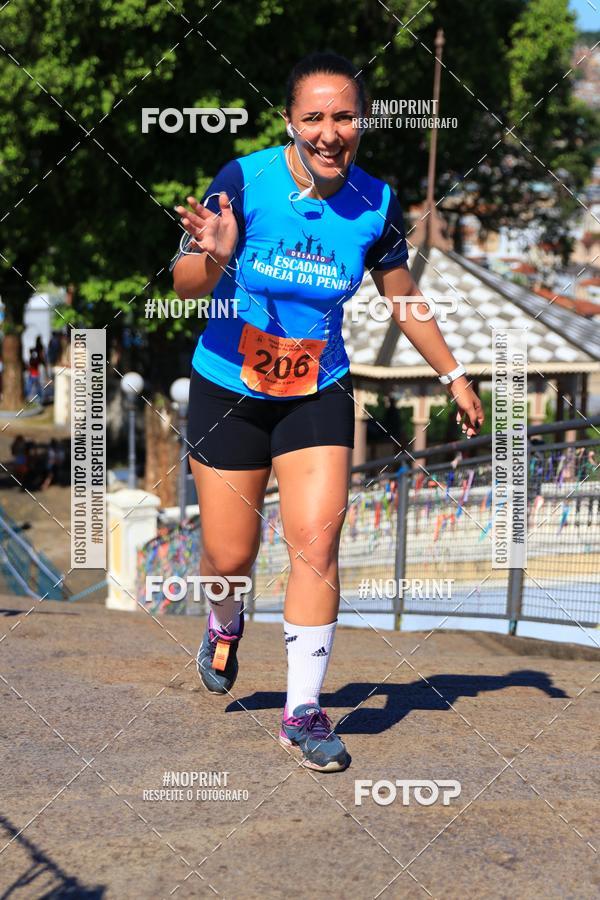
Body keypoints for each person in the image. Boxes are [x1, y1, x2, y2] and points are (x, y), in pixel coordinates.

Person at [172, 52, 484, 772]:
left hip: (317, 389)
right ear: (290, 120)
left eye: (343, 116)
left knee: (317, 540)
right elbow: (188, 286)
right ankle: (224, 623)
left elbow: (402, 296)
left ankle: (303, 712)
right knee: (229, 558)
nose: (328, 132)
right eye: (313, 117)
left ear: (362, 122)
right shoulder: (244, 181)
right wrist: (213, 255)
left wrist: (456, 375)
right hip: (228, 389)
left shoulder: (375, 202)